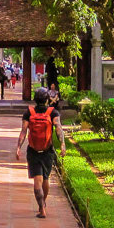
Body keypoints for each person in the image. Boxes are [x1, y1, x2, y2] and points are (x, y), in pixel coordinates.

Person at [15, 88, 67, 218]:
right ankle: (43, 205)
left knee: (37, 180)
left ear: (35, 99)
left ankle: (41, 206)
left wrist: (18, 147)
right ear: (47, 99)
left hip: (33, 150)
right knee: (45, 178)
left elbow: (23, 131)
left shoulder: (29, 112)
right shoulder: (52, 112)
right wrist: (62, 144)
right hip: (47, 150)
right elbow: (58, 128)